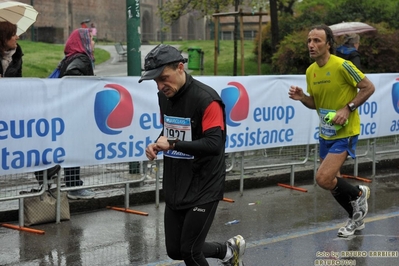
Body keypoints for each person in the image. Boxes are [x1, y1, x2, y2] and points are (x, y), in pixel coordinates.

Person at [141, 44, 245, 266]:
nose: (160, 86)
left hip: (204, 185)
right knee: (175, 250)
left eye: (164, 78)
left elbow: (215, 144)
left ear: (180, 68)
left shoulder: (207, 99)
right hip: (177, 182)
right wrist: (157, 144)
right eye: (156, 81)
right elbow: (169, 132)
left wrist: (173, 143)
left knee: (190, 251)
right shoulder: (164, 96)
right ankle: (228, 251)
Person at [288, 25, 375, 237]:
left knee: (323, 178)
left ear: (328, 44)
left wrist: (348, 108)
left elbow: (368, 87)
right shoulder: (311, 71)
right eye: (309, 40)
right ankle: (355, 217)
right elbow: (315, 103)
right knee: (332, 181)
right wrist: (303, 99)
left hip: (346, 132)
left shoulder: (343, 66)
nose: (311, 45)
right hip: (326, 133)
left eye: (317, 40)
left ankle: (358, 195)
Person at [0, 21, 61, 183]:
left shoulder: (16, 54)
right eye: (13, 34)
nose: (17, 37)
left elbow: (17, 81)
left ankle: (45, 171)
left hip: (10, 105)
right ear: (3, 37)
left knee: (29, 132)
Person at [59, 28, 96, 200]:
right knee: (75, 146)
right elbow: (72, 75)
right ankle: (74, 186)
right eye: (91, 39)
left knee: (70, 147)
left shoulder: (69, 57)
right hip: (76, 110)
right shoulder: (81, 58)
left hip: (68, 110)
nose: (93, 43)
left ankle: (72, 184)